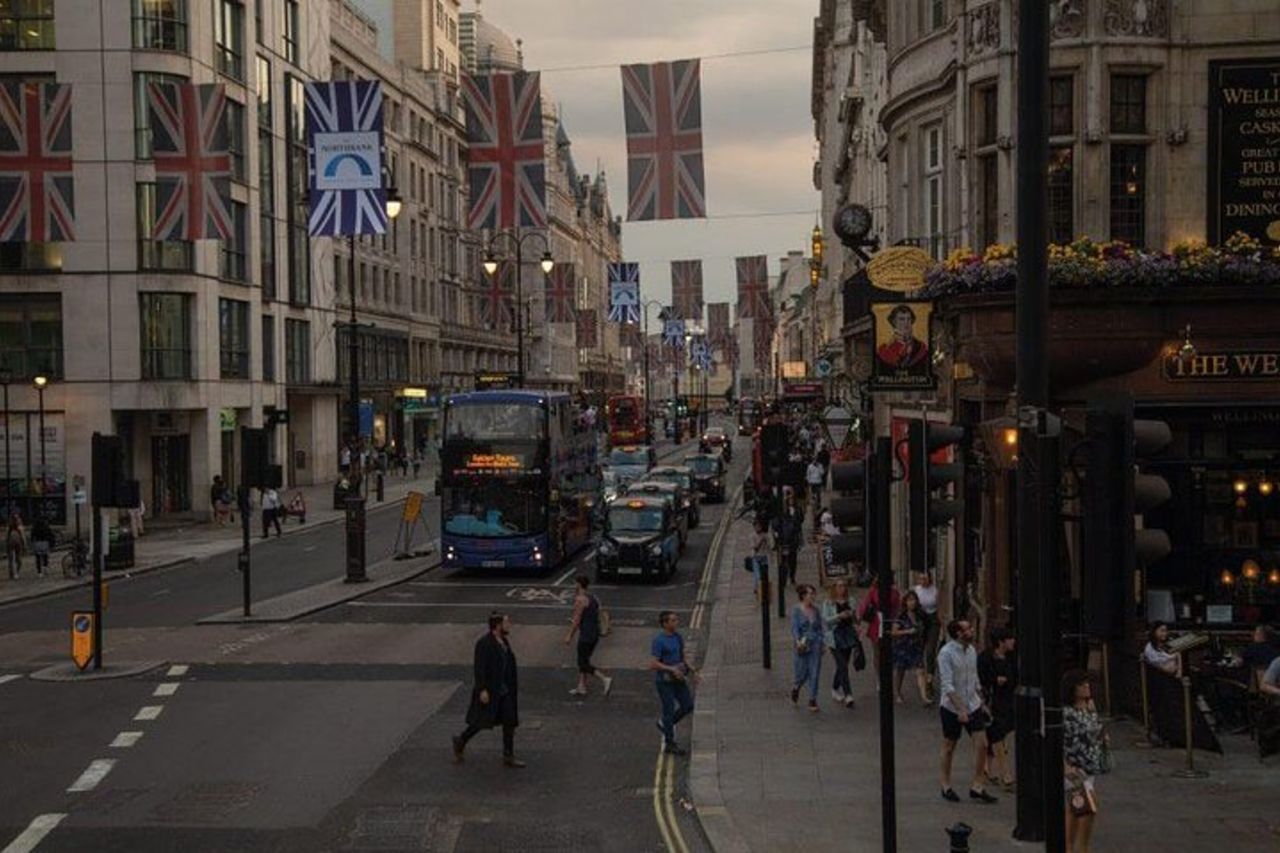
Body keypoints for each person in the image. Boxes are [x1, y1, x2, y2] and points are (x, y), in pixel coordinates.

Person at [452, 612, 524, 768]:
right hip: (491, 691)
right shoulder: (484, 643)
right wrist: (482, 689)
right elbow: (479, 668)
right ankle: (461, 740)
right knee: (480, 722)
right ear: (498, 625)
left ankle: (508, 756)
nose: (509, 624)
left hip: (504, 691)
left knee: (509, 721)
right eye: (506, 622)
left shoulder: (503, 641)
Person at [937, 619, 997, 804]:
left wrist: (981, 700)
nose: (972, 631)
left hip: (973, 704)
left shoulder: (971, 651)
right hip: (951, 707)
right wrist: (960, 709)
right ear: (958, 634)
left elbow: (974, 677)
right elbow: (947, 684)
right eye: (968, 629)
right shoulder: (946, 653)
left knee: (982, 744)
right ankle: (945, 784)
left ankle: (977, 785)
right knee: (949, 746)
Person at [1063, 670, 1107, 852]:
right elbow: (1060, 740)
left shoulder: (1089, 708)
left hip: (1089, 766)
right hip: (1075, 768)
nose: (1087, 687)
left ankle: (1071, 847)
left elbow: (1096, 731)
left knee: (1076, 809)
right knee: (1088, 806)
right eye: (1082, 684)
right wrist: (1065, 765)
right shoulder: (1067, 713)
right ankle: (1081, 849)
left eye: (1087, 684)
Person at [650, 610, 695, 755]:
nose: (676, 622)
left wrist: (692, 670)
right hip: (665, 682)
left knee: (688, 705)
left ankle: (664, 724)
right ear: (665, 624)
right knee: (668, 710)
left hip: (679, 678)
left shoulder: (677, 637)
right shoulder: (659, 641)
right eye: (673, 620)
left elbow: (682, 656)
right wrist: (671, 668)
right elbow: (653, 664)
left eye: (676, 620)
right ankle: (670, 743)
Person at [978, 626, 1017, 791]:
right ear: (1001, 642)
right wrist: (995, 680)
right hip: (992, 701)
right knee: (997, 734)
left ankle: (986, 769)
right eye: (1009, 639)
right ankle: (1006, 774)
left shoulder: (1012, 657)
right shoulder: (985, 658)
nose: (1013, 642)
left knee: (995, 735)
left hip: (1008, 699)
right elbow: (980, 678)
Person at [564, 575, 613, 698]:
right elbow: (600, 613)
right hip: (595, 633)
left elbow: (576, 620)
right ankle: (582, 686)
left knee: (582, 662)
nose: (574, 586)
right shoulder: (594, 598)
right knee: (585, 659)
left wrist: (569, 635)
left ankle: (604, 678)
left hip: (586, 634)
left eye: (575, 583)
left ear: (579, 584)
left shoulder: (580, 600)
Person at [822, 579, 859, 708]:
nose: (842, 588)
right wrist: (838, 616)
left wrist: (853, 617)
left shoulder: (851, 600)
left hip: (848, 634)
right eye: (839, 586)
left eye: (844, 585)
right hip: (835, 635)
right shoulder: (828, 603)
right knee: (842, 664)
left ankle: (834, 688)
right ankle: (848, 694)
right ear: (834, 588)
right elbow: (825, 620)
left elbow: (855, 618)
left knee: (843, 664)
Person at [891, 589, 930, 706]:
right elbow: (894, 632)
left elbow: (926, 627)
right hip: (902, 647)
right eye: (909, 600)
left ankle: (924, 697)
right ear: (905, 602)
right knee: (900, 671)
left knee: (920, 671)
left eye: (914, 600)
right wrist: (908, 631)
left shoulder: (920, 614)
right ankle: (897, 693)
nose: (912, 603)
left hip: (916, 647)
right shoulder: (901, 615)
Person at [790, 584, 825, 712]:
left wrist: (822, 643)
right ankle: (796, 687)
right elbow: (794, 628)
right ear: (803, 596)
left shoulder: (816, 610)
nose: (813, 597)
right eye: (810, 594)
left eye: (813, 594)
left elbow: (820, 628)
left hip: (815, 643)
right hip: (802, 645)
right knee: (802, 673)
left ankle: (812, 699)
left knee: (814, 672)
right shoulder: (796, 610)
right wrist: (798, 641)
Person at [857, 581, 902, 681]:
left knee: (890, 649)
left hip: (889, 621)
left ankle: (888, 673)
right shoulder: (873, 591)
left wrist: (896, 621)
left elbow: (898, 607)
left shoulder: (894, 592)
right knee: (877, 651)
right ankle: (879, 677)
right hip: (876, 623)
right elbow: (865, 606)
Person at [913, 570, 941, 699]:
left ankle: (930, 678)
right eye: (920, 578)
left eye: (925, 578)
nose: (923, 581)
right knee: (919, 650)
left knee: (930, 651)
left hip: (933, 621)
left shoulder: (935, 590)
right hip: (920, 621)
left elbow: (940, 607)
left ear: (930, 579)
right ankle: (922, 676)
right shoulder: (916, 590)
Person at [876, 303, 930, 368]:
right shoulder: (883, 350)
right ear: (894, 322)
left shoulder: (921, 346)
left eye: (909, 319)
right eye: (901, 319)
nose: (906, 322)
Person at [772, 490, 803, 587]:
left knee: (792, 560)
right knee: (783, 561)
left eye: (792, 499)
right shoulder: (781, 512)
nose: (790, 501)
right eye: (788, 500)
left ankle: (792, 577)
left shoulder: (797, 509)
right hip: (783, 540)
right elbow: (775, 524)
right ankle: (784, 578)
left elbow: (800, 521)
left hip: (793, 540)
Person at [749, 517, 769, 601]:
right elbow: (755, 548)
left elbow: (769, 547)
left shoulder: (765, 535)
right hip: (756, 557)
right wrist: (761, 541)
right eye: (756, 526)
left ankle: (764, 589)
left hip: (764, 557)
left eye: (759, 526)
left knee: (765, 575)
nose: (757, 528)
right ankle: (756, 589)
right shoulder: (752, 536)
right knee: (757, 575)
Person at [30, 513, 53, 578]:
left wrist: (32, 542)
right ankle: (45, 568)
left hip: (37, 542)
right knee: (45, 556)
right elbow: (50, 534)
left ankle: (39, 572)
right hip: (45, 542)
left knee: (38, 558)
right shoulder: (46, 526)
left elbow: (32, 535)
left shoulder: (35, 527)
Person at [6, 513, 26, 579]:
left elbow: (7, 538)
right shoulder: (17, 528)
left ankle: (13, 573)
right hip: (16, 544)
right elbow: (23, 537)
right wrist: (25, 545)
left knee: (13, 560)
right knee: (17, 560)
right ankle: (15, 573)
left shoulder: (11, 528)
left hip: (13, 544)